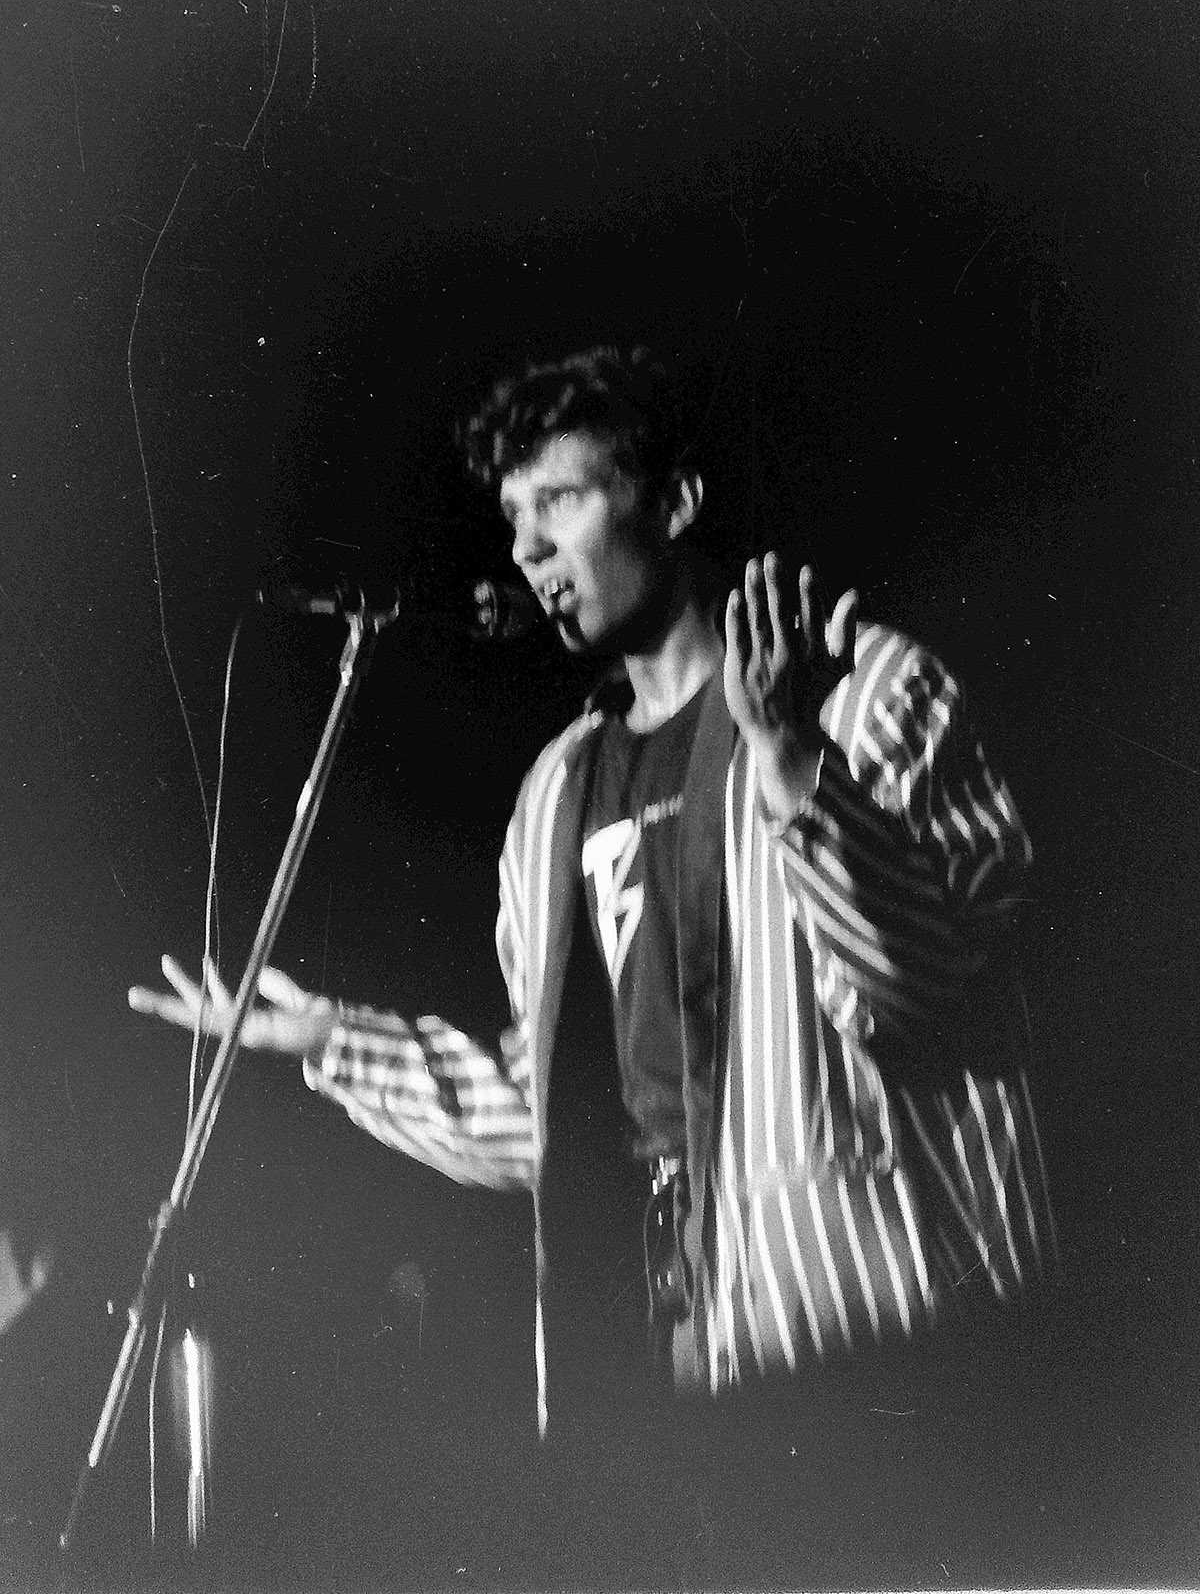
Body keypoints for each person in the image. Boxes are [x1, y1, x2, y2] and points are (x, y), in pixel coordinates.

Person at [130, 344, 1053, 1583]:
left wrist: (790, 764)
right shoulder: (557, 794)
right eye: (512, 516)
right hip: (678, 1358)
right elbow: (557, 1115)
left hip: (889, 1342)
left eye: (558, 502)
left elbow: (924, 984)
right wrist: (332, 1043)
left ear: (674, 502)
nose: (525, 549)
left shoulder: (867, 691)